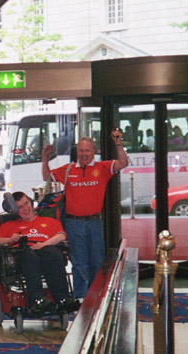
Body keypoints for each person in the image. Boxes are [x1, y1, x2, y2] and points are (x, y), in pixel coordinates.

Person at [41, 128, 128, 300]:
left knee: (97, 261)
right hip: (73, 224)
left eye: (87, 150)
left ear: (93, 151)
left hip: (94, 223)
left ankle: (97, 296)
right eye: (81, 150)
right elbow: (46, 176)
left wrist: (118, 144)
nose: (84, 154)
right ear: (77, 151)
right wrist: (45, 158)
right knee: (79, 263)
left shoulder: (102, 168)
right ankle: (80, 298)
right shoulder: (68, 170)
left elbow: (122, 163)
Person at [0, 191, 76, 313]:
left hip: (45, 251)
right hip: (23, 254)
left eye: (26, 203)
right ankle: (37, 299)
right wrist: (10, 239)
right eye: (20, 207)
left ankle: (63, 298)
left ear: (31, 202)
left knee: (53, 253)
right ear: (15, 210)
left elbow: (61, 236)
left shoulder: (48, 221)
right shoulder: (9, 225)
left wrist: (43, 244)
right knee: (30, 255)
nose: (25, 208)